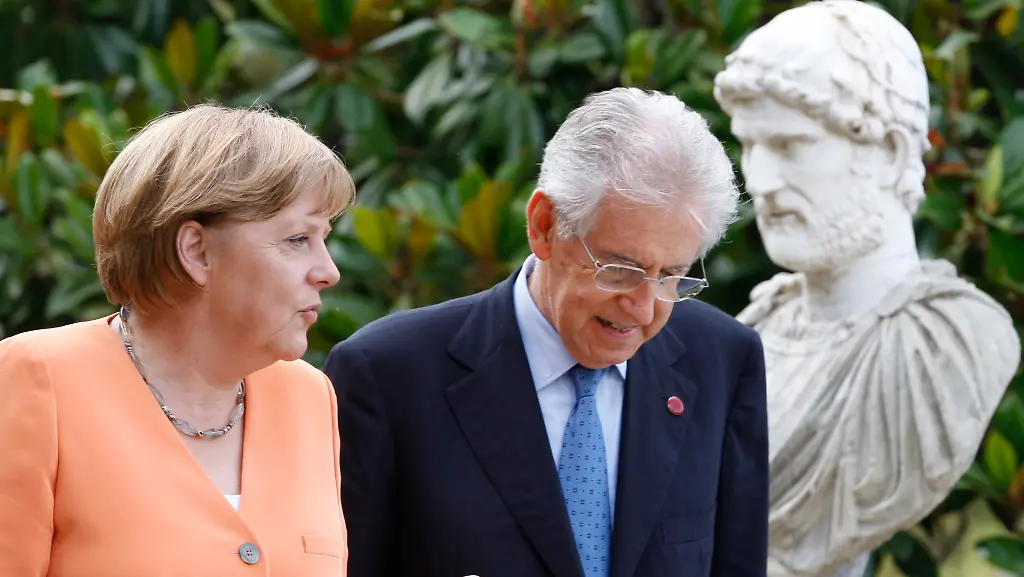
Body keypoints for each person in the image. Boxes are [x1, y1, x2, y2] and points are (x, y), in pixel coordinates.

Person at [324, 87, 769, 577]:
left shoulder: (722, 359)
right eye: (620, 270)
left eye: (671, 276)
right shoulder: (388, 376)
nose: (644, 309)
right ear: (544, 226)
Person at [712, 1, 1022, 576]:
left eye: (791, 145)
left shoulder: (947, 345)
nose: (762, 181)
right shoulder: (757, 326)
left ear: (890, 153)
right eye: (749, 145)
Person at [0, 105, 353, 576]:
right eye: (297, 239)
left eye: (323, 238)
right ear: (196, 251)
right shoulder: (38, 377)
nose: (328, 271)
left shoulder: (310, 396)